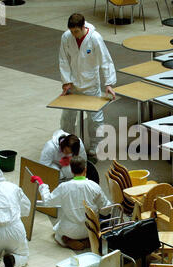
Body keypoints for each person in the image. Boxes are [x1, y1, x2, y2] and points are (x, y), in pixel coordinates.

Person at [59, 13, 116, 164]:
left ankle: (95, 147)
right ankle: (68, 146)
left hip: (91, 84)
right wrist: (66, 81)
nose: (74, 35)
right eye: (71, 32)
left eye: (76, 32)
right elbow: (63, 59)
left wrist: (108, 83)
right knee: (67, 117)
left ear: (83, 27)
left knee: (95, 118)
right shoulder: (66, 37)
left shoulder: (95, 38)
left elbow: (106, 61)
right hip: (73, 84)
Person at [31, 156, 111, 250]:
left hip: (70, 231)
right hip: (90, 228)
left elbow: (48, 202)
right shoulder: (94, 186)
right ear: (85, 170)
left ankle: (69, 241)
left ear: (71, 171)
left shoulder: (64, 187)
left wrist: (42, 185)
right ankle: (88, 241)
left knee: (57, 234)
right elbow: (106, 210)